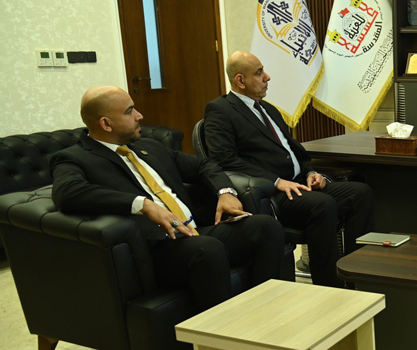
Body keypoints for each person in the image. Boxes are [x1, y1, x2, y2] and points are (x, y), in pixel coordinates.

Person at [51, 86, 286, 311]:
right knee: (207, 249)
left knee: (266, 227)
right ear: (106, 123)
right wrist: (142, 204)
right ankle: (221, 333)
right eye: (130, 111)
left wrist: (225, 191)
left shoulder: (148, 146)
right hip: (156, 247)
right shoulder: (74, 158)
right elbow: (67, 191)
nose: (139, 116)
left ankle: (266, 310)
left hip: (194, 231)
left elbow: (202, 165)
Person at [204, 51, 374, 287]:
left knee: (360, 193)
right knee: (322, 204)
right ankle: (331, 286)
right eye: (259, 73)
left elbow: (292, 151)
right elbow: (224, 159)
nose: (267, 77)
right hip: (272, 194)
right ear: (240, 80)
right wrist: (275, 181)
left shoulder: (268, 109)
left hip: (299, 183)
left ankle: (358, 274)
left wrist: (311, 173)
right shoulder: (220, 110)